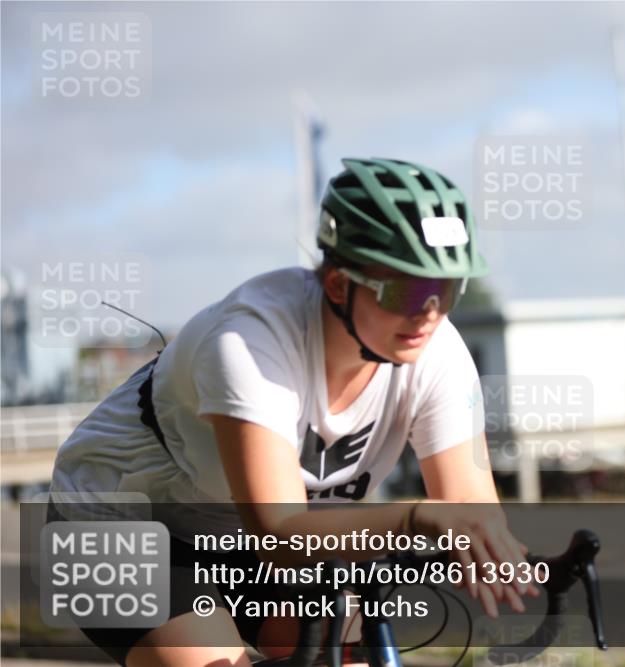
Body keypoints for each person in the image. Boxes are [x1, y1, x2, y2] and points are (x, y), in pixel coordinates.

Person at [48, 158, 537, 666]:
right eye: (406, 291)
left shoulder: (437, 351)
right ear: (338, 284)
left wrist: (512, 563)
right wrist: (416, 517)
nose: (429, 313)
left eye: (446, 290)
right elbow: (278, 535)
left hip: (236, 537)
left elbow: (468, 507)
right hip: (117, 519)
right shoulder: (250, 341)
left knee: (353, 651)